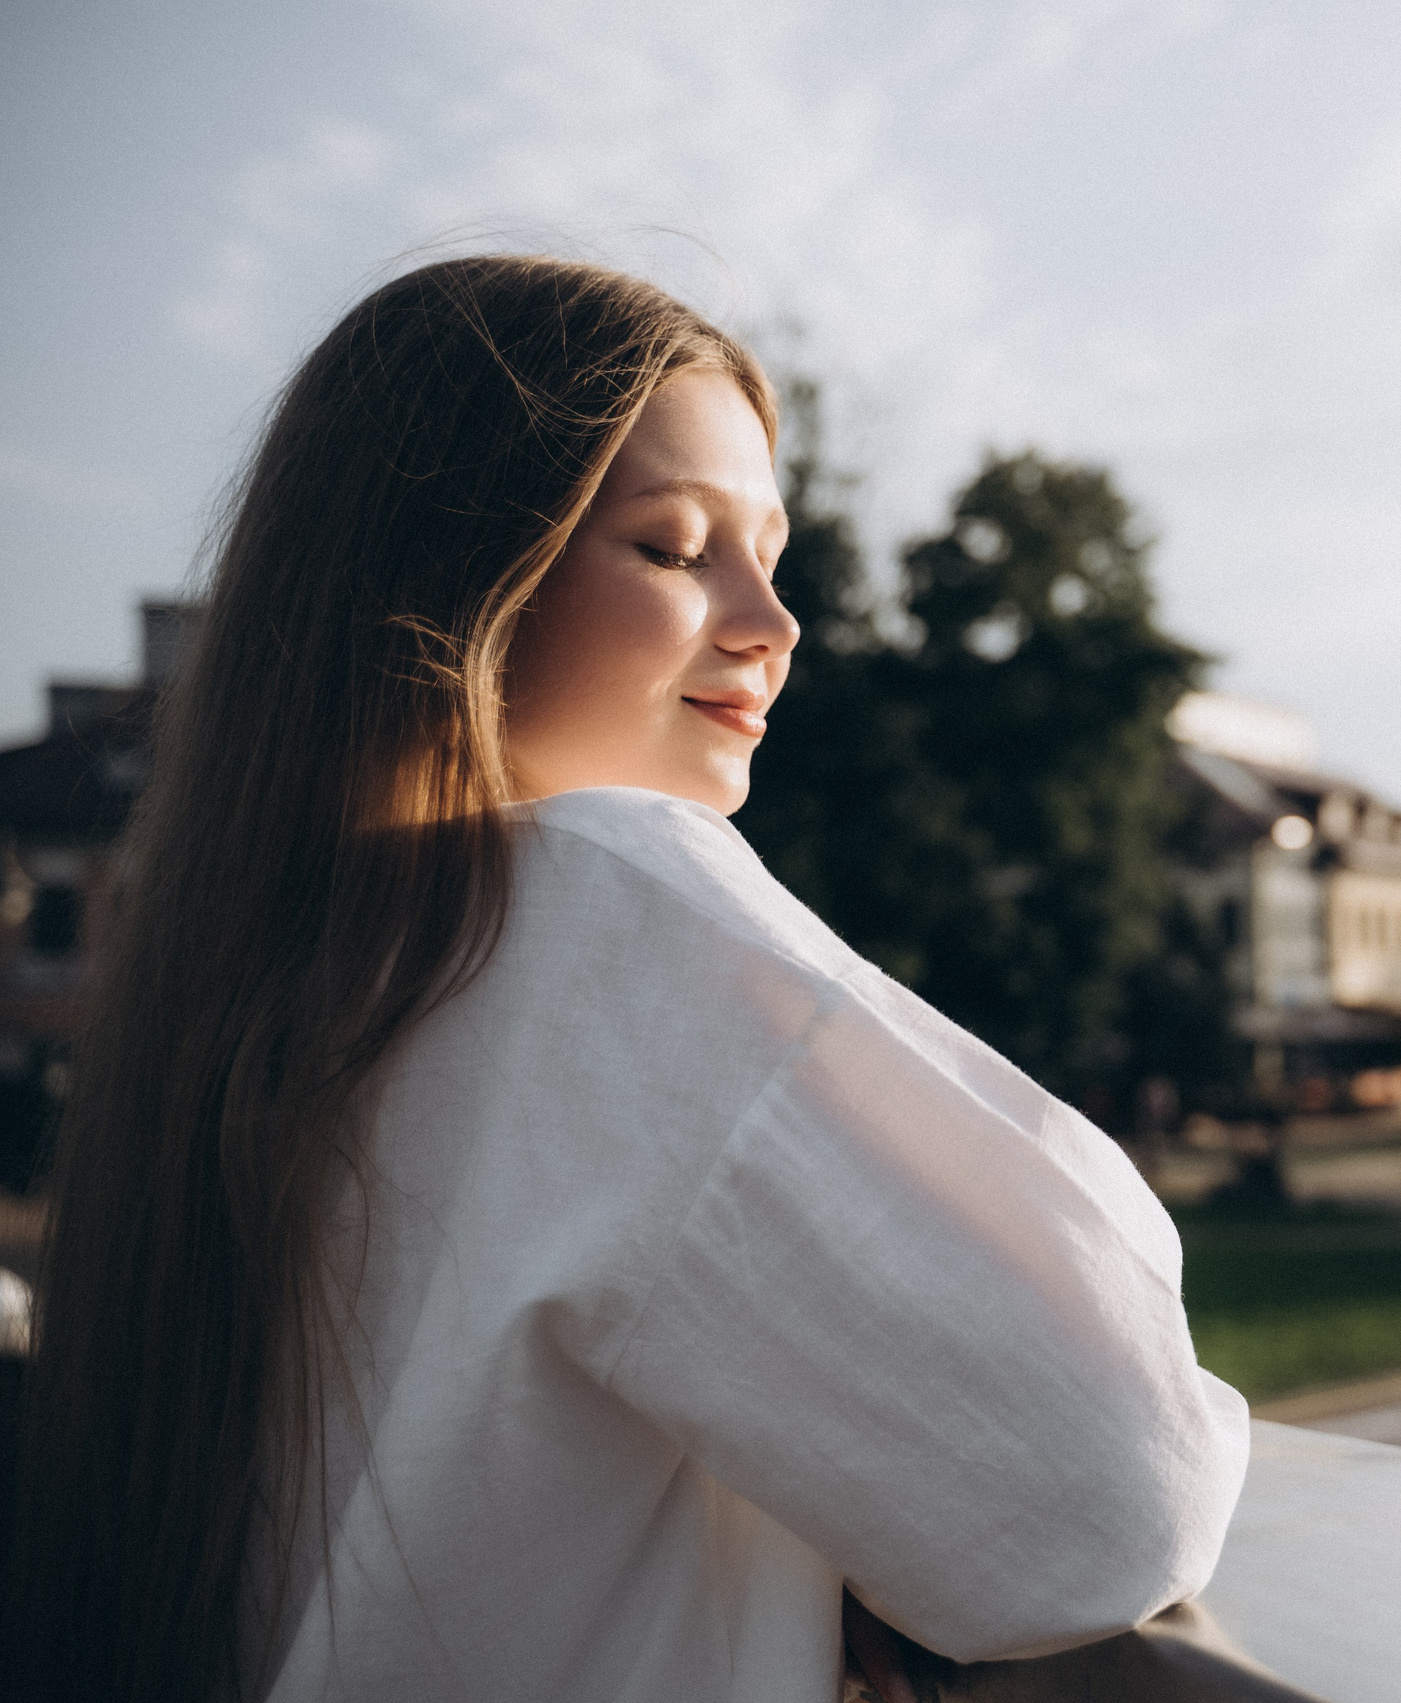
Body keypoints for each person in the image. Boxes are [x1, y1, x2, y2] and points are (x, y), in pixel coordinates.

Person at [3, 256, 1251, 1702]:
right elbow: (1104, 1505)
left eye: (771, 556)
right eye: (673, 549)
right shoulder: (594, 905)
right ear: (457, 582)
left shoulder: (249, 983)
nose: (773, 628)